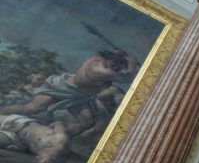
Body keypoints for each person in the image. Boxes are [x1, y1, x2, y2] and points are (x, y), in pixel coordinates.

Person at [0, 49, 137, 135]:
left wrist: (123, 58)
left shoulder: (105, 65)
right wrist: (132, 63)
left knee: (87, 123)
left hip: (80, 96)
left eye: (120, 66)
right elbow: (128, 78)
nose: (117, 68)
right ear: (108, 59)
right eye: (116, 63)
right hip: (63, 87)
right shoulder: (99, 67)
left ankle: (50, 136)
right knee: (31, 108)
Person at [0, 113, 71, 163]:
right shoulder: (60, 139)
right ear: (54, 158)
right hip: (21, 124)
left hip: (16, 139)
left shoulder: (40, 157)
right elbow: (58, 123)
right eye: (43, 159)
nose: (38, 158)